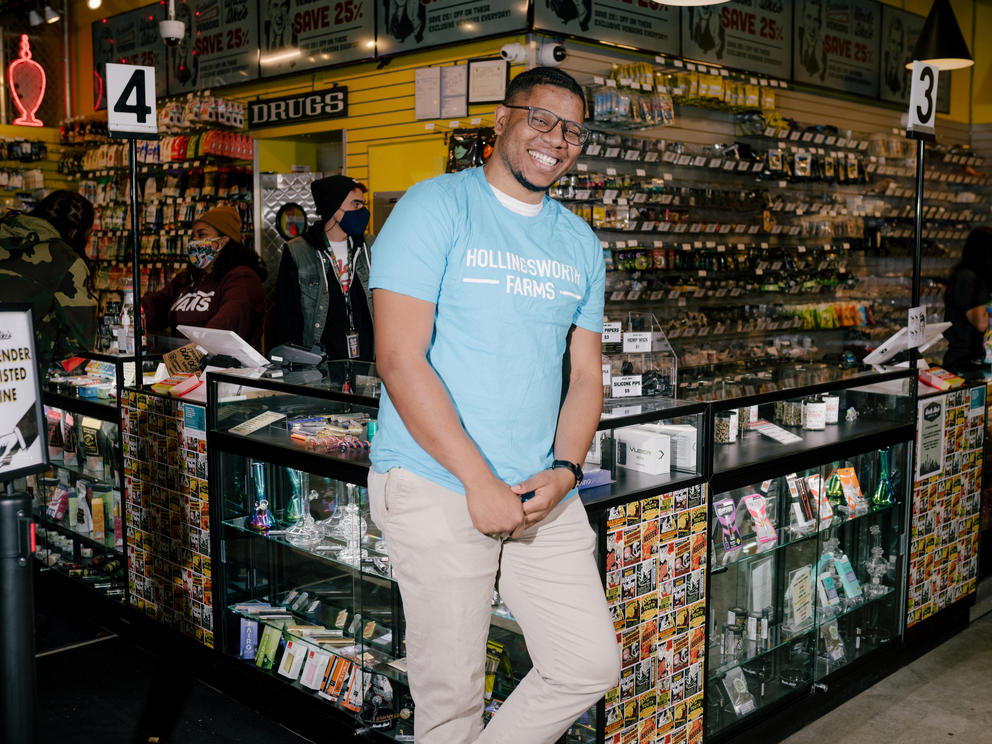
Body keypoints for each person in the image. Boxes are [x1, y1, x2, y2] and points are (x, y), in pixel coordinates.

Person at [367, 67, 618, 744]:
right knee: (450, 703)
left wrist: (566, 469)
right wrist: (479, 483)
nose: (556, 140)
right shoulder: (434, 206)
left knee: (587, 663)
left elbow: (586, 376)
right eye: (541, 119)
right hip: (436, 481)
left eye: (572, 130)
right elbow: (398, 359)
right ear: (502, 120)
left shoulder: (580, 242)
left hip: (541, 488)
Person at [274, 175, 374, 360]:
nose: (363, 211)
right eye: (356, 204)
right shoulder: (298, 251)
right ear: (334, 208)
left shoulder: (370, 247)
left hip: (367, 364)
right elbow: (287, 316)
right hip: (320, 367)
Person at [141, 206, 266, 349]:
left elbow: (224, 328)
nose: (194, 241)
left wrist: (185, 357)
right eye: (193, 236)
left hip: (226, 369)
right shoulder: (187, 279)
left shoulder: (243, 280)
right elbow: (154, 307)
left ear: (223, 241)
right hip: (186, 367)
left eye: (201, 235)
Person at [0, 190, 97, 372]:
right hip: (21, 375)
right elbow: (81, 342)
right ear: (75, 232)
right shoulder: (66, 259)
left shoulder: (5, 229)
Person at [942, 226, 992, 371]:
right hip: (964, 364)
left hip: (979, 362)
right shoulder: (967, 279)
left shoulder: (980, 280)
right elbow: (981, 323)